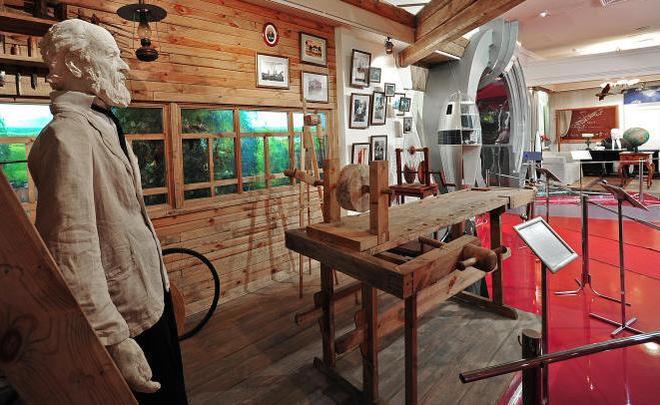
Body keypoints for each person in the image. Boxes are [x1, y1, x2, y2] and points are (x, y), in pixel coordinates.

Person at [28, 19, 187, 404]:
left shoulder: (100, 122)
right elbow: (70, 246)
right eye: (112, 55)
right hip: (124, 316)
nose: (124, 65)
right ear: (76, 63)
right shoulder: (68, 135)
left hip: (146, 298)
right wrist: (112, 338)